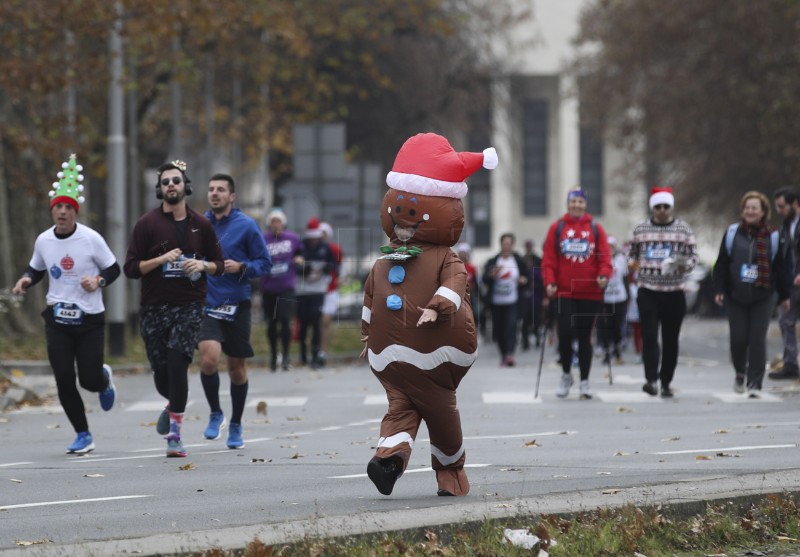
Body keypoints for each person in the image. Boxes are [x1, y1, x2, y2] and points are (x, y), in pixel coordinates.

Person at [361, 132, 494, 497]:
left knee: (420, 407)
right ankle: (418, 464)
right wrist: (367, 327)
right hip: (404, 356)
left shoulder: (442, 257)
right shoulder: (385, 260)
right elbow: (372, 297)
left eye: (413, 207)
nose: (403, 215)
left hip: (426, 351)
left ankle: (419, 462)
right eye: (398, 206)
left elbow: (454, 283)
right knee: (419, 406)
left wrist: (438, 305)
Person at [12, 154, 119, 454]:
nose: (61, 212)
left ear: (75, 212)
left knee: (89, 379)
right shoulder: (44, 240)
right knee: (63, 379)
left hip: (89, 320)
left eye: (67, 208)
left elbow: (113, 269)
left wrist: (97, 282)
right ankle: (83, 434)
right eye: (57, 207)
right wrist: (25, 280)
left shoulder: (91, 239)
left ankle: (103, 379)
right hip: (57, 319)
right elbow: (36, 268)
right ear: (52, 211)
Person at [124, 160, 224, 458]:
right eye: (166, 181)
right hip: (154, 306)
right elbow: (130, 268)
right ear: (160, 189)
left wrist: (202, 264)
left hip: (189, 305)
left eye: (176, 181)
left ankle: (175, 435)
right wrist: (161, 259)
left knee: (178, 361)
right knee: (162, 373)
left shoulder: (201, 224)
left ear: (185, 187)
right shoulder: (146, 224)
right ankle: (173, 403)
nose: (171, 185)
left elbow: (218, 264)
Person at [197, 174, 272, 449]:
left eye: (220, 190)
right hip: (208, 302)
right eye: (211, 189)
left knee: (236, 368)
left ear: (232, 196)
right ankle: (216, 413)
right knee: (208, 358)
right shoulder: (200, 225)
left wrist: (242, 267)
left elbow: (265, 264)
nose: (214, 193)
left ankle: (237, 423)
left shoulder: (246, 226)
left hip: (237, 304)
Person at [712, 191, 790, 398]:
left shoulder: (773, 236)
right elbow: (721, 264)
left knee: (757, 339)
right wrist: (719, 289)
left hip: (763, 296)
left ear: (763, 212)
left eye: (754, 208)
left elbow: (780, 268)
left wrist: (784, 296)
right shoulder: (732, 234)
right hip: (736, 295)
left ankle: (755, 382)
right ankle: (740, 371)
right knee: (738, 339)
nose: (750, 211)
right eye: (747, 207)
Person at [541, 186, 612, 399]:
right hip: (564, 291)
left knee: (584, 337)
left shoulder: (596, 229)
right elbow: (549, 259)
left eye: (580, 202)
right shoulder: (557, 228)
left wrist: (604, 275)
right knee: (565, 334)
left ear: (585, 204)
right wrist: (549, 282)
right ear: (568, 204)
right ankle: (565, 375)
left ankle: (584, 381)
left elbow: (605, 258)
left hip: (590, 292)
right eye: (573, 201)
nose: (577, 205)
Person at [627, 187, 698, 397]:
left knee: (670, 339)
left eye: (666, 206)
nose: (662, 210)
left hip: (674, 290)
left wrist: (684, 265)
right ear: (652, 208)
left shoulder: (683, 230)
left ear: (671, 207)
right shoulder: (641, 229)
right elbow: (632, 255)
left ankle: (666, 380)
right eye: (658, 207)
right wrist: (633, 264)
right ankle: (651, 379)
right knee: (649, 335)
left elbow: (694, 257)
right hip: (648, 289)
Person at [260, 207, 303, 371]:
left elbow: (300, 253)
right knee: (271, 324)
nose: (276, 225)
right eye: (273, 222)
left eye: (278, 221)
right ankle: (273, 356)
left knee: (285, 321)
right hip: (268, 287)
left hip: (286, 286)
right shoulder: (263, 239)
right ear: (269, 224)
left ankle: (285, 357)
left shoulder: (292, 238)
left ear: (283, 223)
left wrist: (299, 259)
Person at [482, 233, 529, 367]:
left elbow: (527, 278)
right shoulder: (493, 261)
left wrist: (523, 280)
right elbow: (484, 279)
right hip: (496, 302)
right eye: (504, 244)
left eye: (509, 244)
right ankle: (503, 354)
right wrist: (492, 274)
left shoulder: (518, 261)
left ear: (512, 245)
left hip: (513, 301)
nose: (507, 246)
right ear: (501, 244)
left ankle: (510, 354)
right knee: (499, 330)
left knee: (511, 327)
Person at [296, 217, 336, 369]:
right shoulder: (301, 247)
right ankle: (303, 354)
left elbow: (333, 264)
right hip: (303, 290)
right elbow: (295, 264)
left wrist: (328, 268)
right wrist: (302, 268)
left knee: (316, 321)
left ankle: (315, 353)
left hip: (319, 290)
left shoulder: (325, 248)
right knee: (303, 322)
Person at [769, 186, 800, 380]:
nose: (779, 211)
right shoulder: (786, 226)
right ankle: (790, 364)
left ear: (794, 203)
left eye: (782, 206)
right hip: (793, 284)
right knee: (785, 320)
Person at [599, 236, 629, 365]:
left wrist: (628, 296)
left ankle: (617, 350)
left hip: (619, 298)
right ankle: (607, 352)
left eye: (611, 246)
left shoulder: (621, 259)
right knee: (606, 326)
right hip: (606, 298)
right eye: (607, 246)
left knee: (617, 326)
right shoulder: (600, 259)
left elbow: (626, 278)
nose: (609, 249)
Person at [318, 221, 343, 367]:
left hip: (330, 290)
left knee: (326, 321)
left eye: (324, 234)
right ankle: (316, 350)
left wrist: (340, 279)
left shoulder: (334, 249)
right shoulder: (311, 248)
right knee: (316, 322)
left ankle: (323, 351)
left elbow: (342, 268)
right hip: (315, 291)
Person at [521, 239, 544, 348]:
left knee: (536, 318)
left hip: (536, 294)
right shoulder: (522, 260)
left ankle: (537, 336)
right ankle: (525, 341)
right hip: (526, 295)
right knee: (525, 318)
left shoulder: (538, 260)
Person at [456, 243, 481, 327]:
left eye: (464, 254)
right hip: (458, 296)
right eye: (461, 254)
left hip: (470, 296)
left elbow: (477, 283)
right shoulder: (454, 267)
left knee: (474, 314)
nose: (462, 256)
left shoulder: (472, 267)